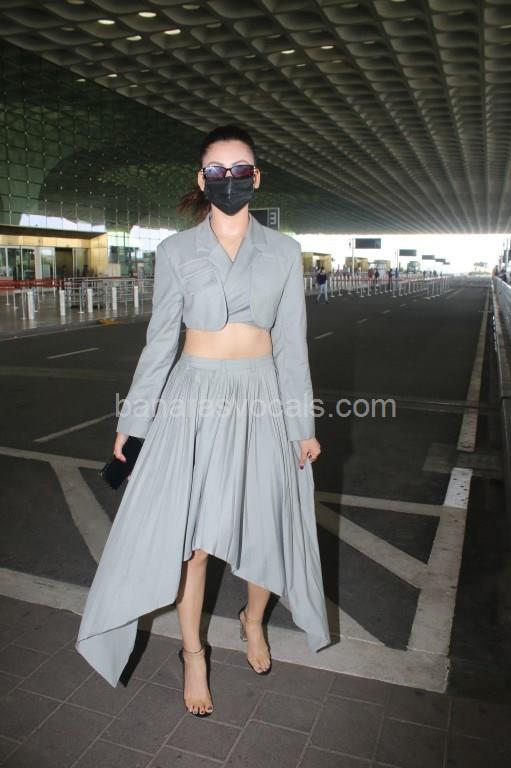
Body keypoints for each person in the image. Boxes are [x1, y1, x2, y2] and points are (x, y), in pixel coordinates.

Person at [75, 125, 330, 718]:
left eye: (240, 169)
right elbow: (160, 342)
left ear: (256, 177)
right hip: (192, 399)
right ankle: (193, 652)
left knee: (265, 522)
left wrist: (303, 425)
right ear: (202, 178)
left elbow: (292, 345)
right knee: (193, 541)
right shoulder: (175, 251)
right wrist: (134, 420)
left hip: (262, 396)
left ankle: (252, 619)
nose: (229, 179)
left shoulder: (284, 251)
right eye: (218, 170)